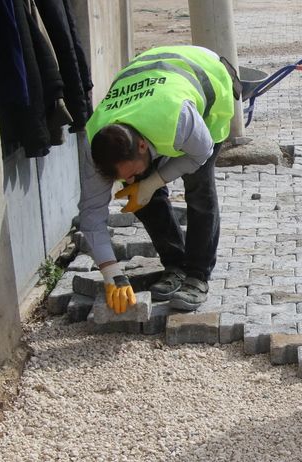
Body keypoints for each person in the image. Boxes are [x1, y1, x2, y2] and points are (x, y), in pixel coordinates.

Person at [80, 45, 241, 313]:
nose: (129, 179)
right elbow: (91, 215)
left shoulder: (179, 120)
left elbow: (200, 153)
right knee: (139, 193)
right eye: (123, 176)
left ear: (142, 146)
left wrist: (153, 182)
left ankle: (197, 277)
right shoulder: (95, 142)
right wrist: (111, 272)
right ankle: (175, 265)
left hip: (207, 82)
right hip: (151, 78)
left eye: (130, 171)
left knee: (198, 190)